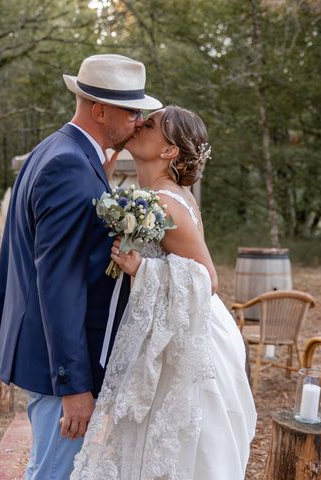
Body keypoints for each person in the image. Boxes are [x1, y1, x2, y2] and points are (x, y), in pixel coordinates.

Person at [0, 54, 162, 480]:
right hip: (56, 364)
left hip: (43, 351)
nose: (138, 121)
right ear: (100, 110)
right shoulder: (69, 167)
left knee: (46, 468)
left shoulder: (61, 150)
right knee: (52, 474)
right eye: (132, 111)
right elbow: (59, 282)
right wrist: (74, 385)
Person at [71, 106, 257, 480]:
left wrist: (144, 270)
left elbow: (209, 278)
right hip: (171, 324)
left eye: (151, 124)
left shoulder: (166, 202)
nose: (139, 123)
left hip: (193, 335)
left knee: (185, 447)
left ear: (170, 151)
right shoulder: (156, 194)